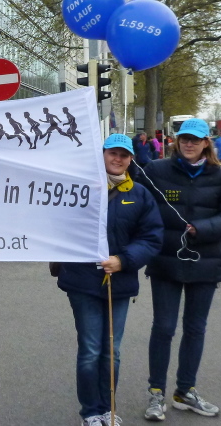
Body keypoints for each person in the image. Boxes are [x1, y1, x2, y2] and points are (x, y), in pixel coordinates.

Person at [138, 118, 221, 421]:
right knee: (163, 328)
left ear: (206, 142)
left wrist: (202, 228)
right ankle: (156, 393)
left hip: (206, 262)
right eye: (184, 138)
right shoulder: (156, 170)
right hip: (165, 261)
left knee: (195, 329)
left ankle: (185, 391)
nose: (189, 144)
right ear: (176, 140)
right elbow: (138, 203)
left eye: (195, 139)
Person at [57, 134, 163, 426]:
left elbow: (152, 237)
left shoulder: (140, 194)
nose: (118, 159)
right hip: (82, 281)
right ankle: (91, 412)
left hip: (120, 282)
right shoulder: (79, 188)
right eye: (113, 153)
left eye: (124, 155)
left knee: (112, 351)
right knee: (91, 350)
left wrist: (123, 260)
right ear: (102, 155)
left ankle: (108, 408)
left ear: (131, 159)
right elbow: (58, 226)